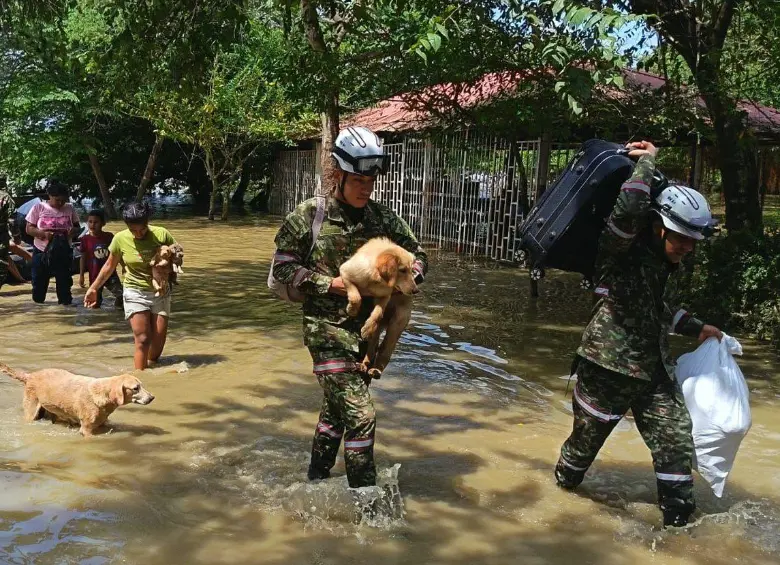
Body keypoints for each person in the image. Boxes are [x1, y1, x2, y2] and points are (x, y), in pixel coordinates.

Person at [554, 141, 722, 528]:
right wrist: (647, 163)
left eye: (692, 241)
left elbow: (660, 310)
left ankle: (681, 526)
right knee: (581, 451)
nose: (685, 247)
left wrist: (698, 328)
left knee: (677, 445)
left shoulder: (668, 265)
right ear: (657, 225)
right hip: (607, 367)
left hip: (654, 372)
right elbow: (629, 208)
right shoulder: (620, 248)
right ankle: (559, 498)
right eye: (679, 237)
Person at [272, 126, 428, 488]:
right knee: (361, 416)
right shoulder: (309, 215)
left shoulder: (385, 220)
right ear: (337, 174)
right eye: (357, 179)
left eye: (371, 180)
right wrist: (331, 284)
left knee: (338, 414)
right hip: (325, 331)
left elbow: (418, 257)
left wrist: (408, 279)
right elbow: (283, 266)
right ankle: (369, 509)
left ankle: (314, 482)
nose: (366, 187)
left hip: (367, 334)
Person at [84, 202, 177, 370]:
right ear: (127, 226)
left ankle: (154, 371)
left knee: (157, 344)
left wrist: (168, 264)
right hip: (134, 291)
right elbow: (109, 266)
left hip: (161, 290)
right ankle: (139, 381)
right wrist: (93, 288)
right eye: (133, 230)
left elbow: (177, 256)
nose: (139, 234)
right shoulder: (120, 239)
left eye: (142, 229)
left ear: (148, 222)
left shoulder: (162, 234)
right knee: (142, 339)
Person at [24, 180, 81, 304]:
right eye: (57, 200)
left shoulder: (70, 208)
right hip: (42, 251)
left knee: (64, 285)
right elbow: (29, 229)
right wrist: (43, 234)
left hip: (63, 251)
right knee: (38, 286)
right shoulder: (39, 207)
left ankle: (65, 310)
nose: (60, 203)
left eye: (63, 200)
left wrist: (73, 231)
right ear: (50, 196)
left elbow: (78, 227)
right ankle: (39, 310)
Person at [79, 209, 123, 308]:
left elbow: (117, 254)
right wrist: (81, 275)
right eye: (90, 222)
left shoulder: (109, 237)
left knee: (121, 296)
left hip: (110, 275)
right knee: (94, 303)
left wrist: (124, 267)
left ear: (103, 223)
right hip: (94, 276)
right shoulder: (85, 239)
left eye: (96, 222)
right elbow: (83, 258)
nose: (92, 225)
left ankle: (117, 311)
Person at [0, 177, 22, 290]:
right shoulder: (5, 198)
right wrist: (17, 237)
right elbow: (12, 221)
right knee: (2, 266)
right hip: (1, 235)